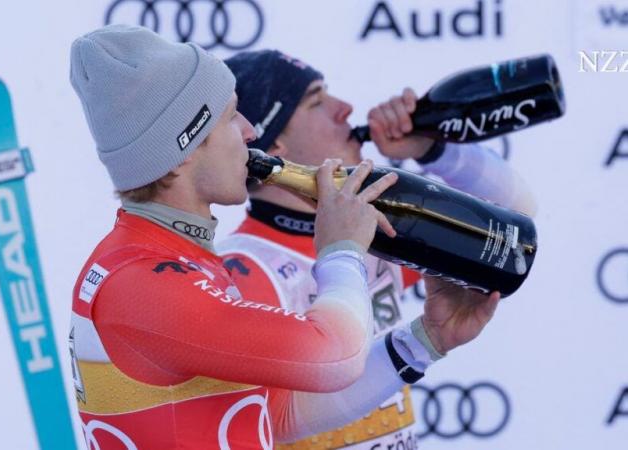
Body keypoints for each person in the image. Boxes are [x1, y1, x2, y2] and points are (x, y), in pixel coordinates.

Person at [68, 25, 501, 449]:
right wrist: (341, 249)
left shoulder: (166, 256)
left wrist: (425, 341)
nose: (250, 131)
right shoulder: (141, 282)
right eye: (228, 117)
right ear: (180, 153)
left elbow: (278, 414)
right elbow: (334, 357)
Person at [217, 50, 537, 449]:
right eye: (316, 101)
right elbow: (270, 420)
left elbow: (508, 233)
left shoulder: (373, 230)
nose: (345, 108)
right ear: (273, 141)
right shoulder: (244, 269)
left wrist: (432, 150)